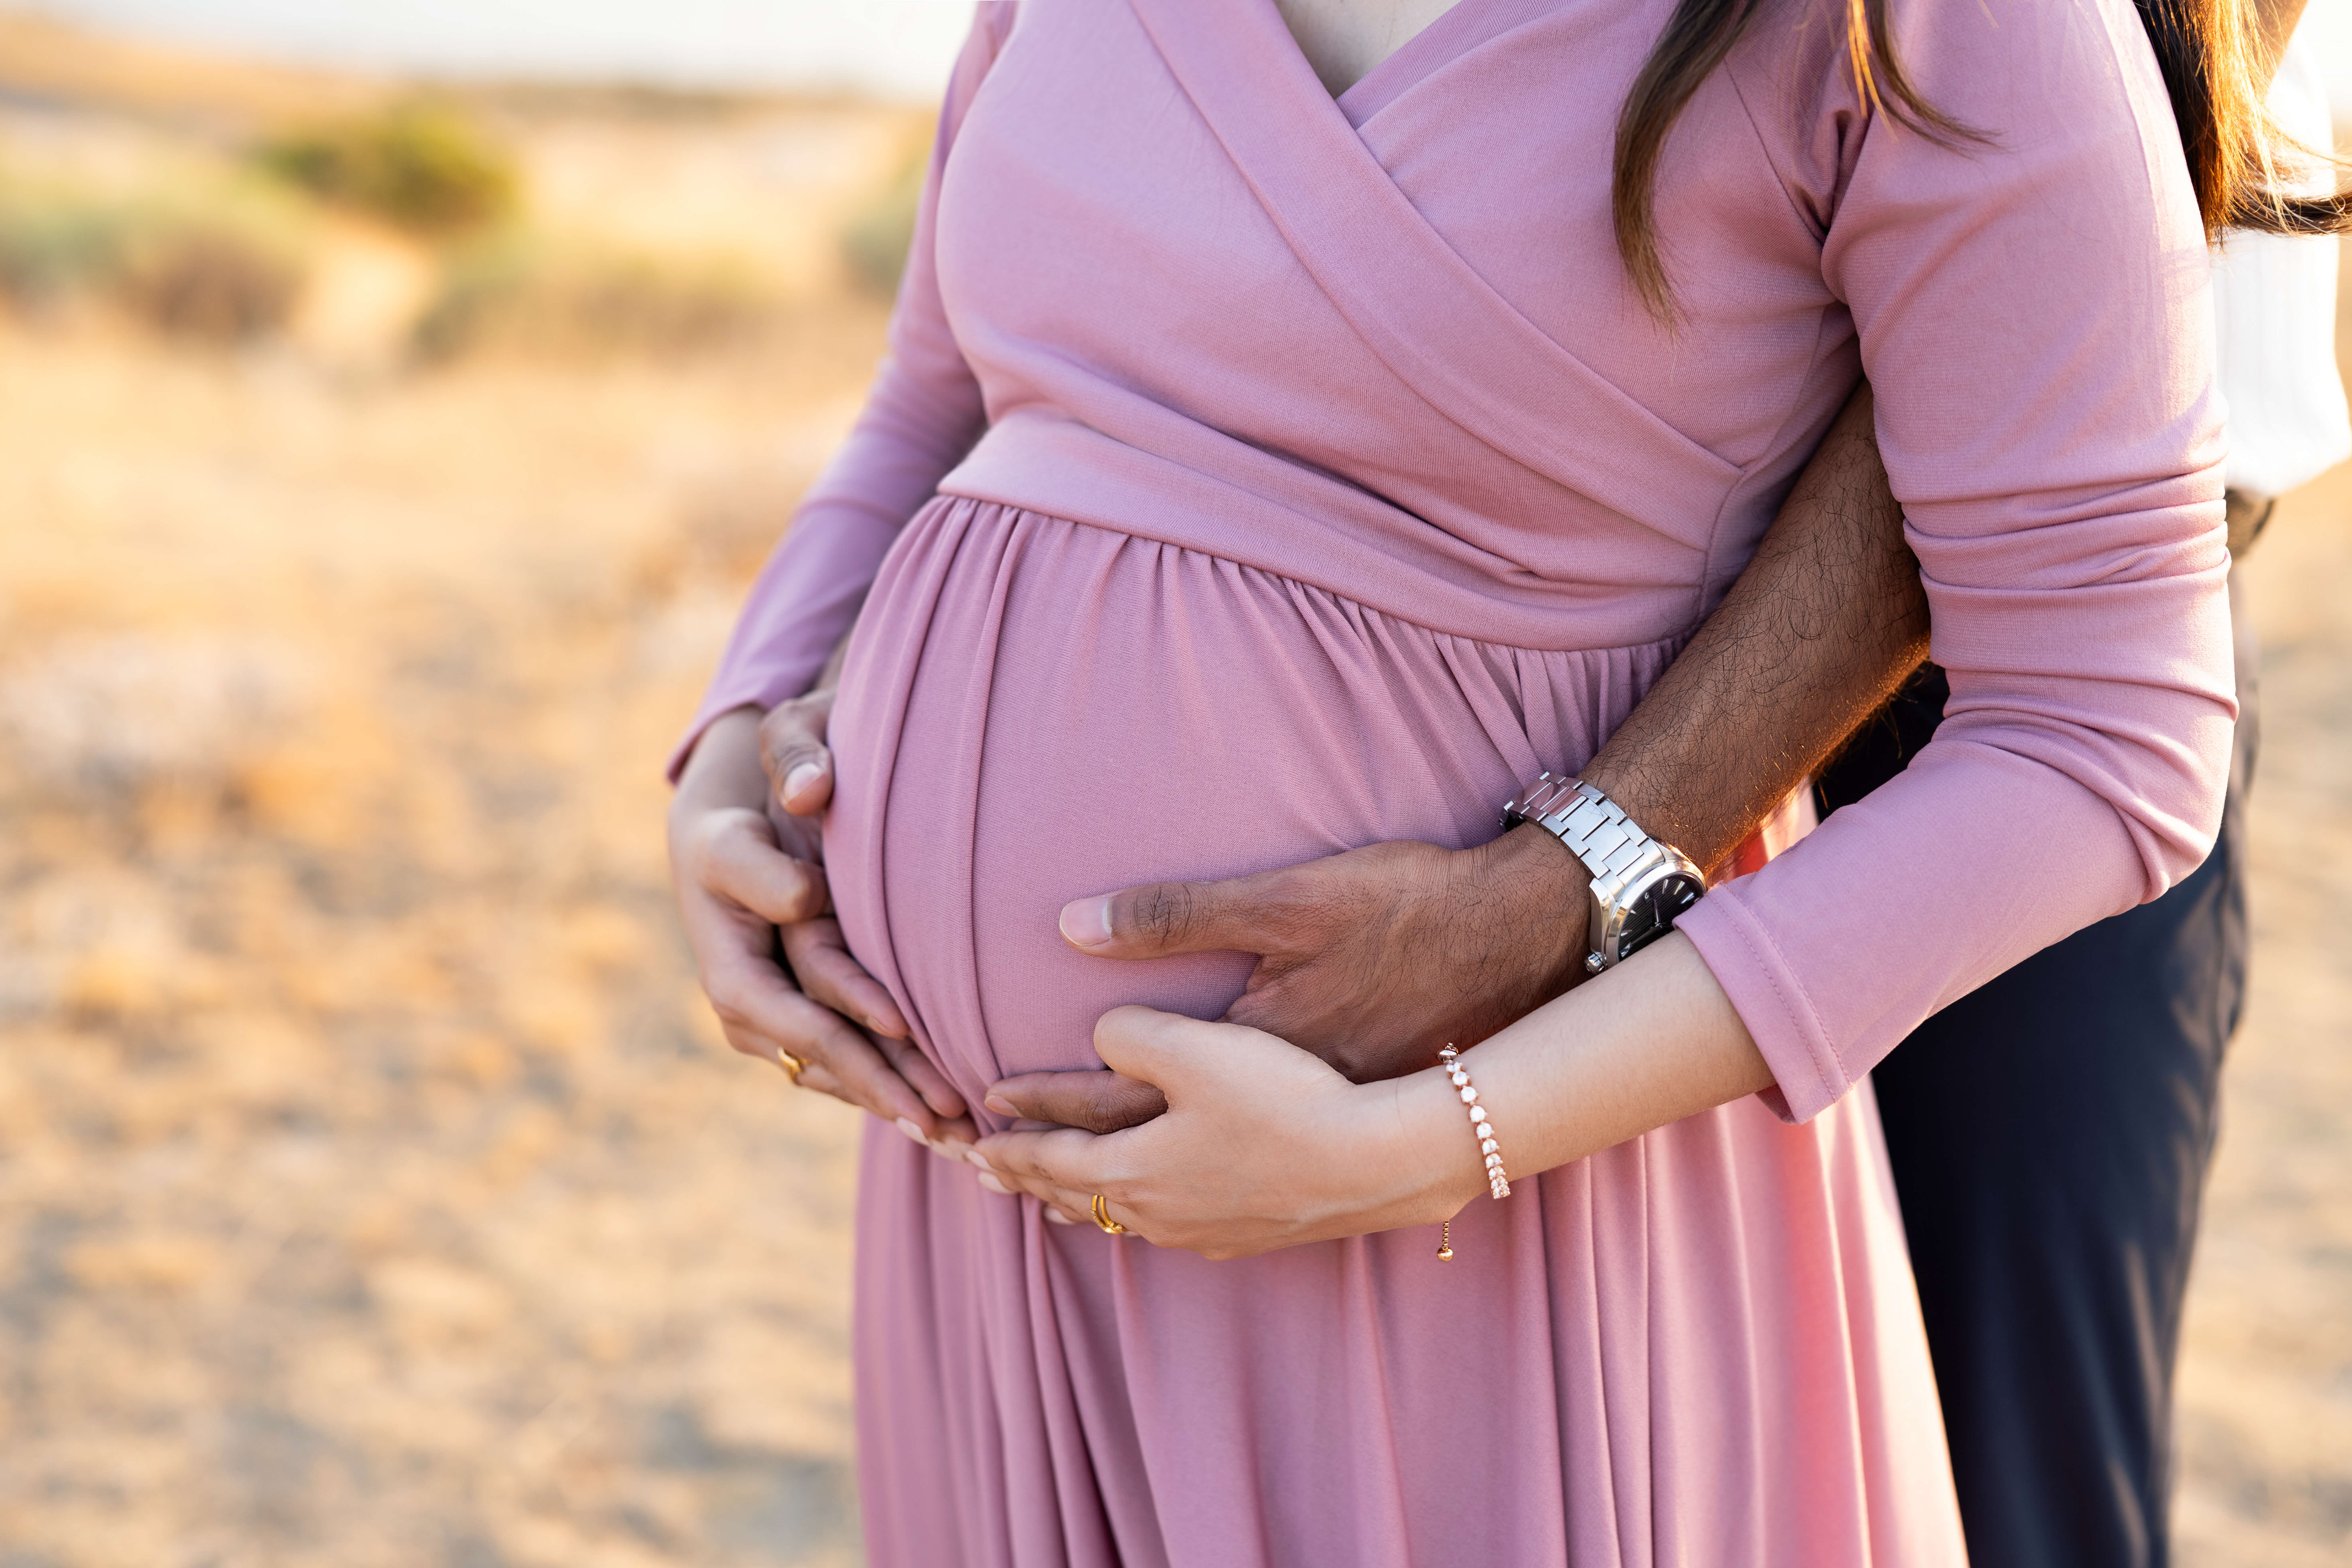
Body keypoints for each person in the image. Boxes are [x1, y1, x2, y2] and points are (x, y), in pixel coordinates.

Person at [663, 0, 2319, 1561]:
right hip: (1000, 1230)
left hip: (1492, 1193)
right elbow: (934, 400)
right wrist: (737, 745)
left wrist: (1432, 1141)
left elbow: (2100, 730)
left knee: (2031, 1465)